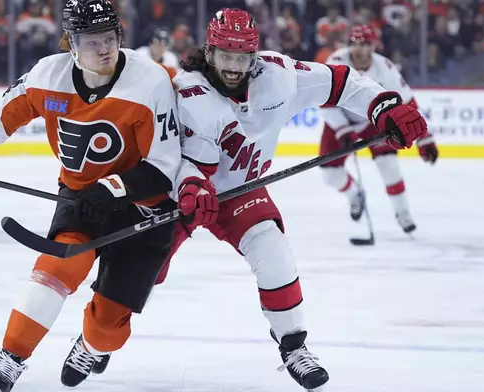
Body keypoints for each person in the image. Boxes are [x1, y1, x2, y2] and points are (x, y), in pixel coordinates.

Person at [0, 1, 216, 391]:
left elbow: (163, 166)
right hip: (82, 199)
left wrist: (113, 188)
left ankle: (91, 345)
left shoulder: (150, 81)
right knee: (54, 271)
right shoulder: (46, 77)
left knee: (108, 326)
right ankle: (10, 358)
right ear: (70, 42)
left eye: (110, 38)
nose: (104, 49)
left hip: (145, 208)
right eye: (91, 41)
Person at [152, 9, 426, 392]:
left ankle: (294, 346)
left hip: (241, 193)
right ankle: (97, 338)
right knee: (140, 273)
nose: (233, 67)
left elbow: (342, 82)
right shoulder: (183, 90)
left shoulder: (278, 76)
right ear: (209, 52)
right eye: (225, 56)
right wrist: (186, 187)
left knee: (274, 250)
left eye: (242, 57)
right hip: (183, 194)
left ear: (255, 56)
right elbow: (160, 152)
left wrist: (382, 106)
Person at [319, 25, 438, 233]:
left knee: (389, 164)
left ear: (373, 45)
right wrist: (343, 129)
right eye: (354, 43)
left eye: (364, 44)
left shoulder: (385, 68)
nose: (358, 48)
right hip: (340, 120)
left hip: (373, 120)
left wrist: (424, 138)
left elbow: (407, 104)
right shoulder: (336, 62)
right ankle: (354, 194)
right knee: (330, 175)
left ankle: (403, 213)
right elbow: (324, 101)